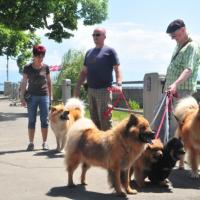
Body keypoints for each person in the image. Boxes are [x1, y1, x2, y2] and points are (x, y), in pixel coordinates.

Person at [152, 19, 200, 143]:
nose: (173, 39)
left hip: (182, 90)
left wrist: (175, 84)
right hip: (170, 89)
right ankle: (159, 146)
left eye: (174, 36)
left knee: (176, 124)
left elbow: (188, 69)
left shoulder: (192, 46)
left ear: (183, 30)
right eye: (171, 36)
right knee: (160, 116)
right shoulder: (179, 45)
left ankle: (175, 153)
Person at [74, 27, 122, 131]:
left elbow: (117, 69)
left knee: (105, 120)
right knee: (93, 120)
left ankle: (108, 145)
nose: (95, 37)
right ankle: (97, 144)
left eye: (98, 35)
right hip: (91, 90)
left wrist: (119, 84)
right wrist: (77, 86)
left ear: (104, 37)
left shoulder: (110, 51)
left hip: (104, 90)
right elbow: (84, 72)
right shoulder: (89, 52)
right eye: (93, 35)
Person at [20, 45, 52, 151]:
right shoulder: (27, 67)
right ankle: (31, 143)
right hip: (32, 96)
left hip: (44, 96)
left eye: (42, 56)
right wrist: (22, 97)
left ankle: (45, 143)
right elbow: (24, 82)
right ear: (34, 56)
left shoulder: (46, 67)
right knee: (31, 120)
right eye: (38, 56)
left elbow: (49, 82)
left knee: (44, 120)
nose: (40, 58)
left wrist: (50, 97)